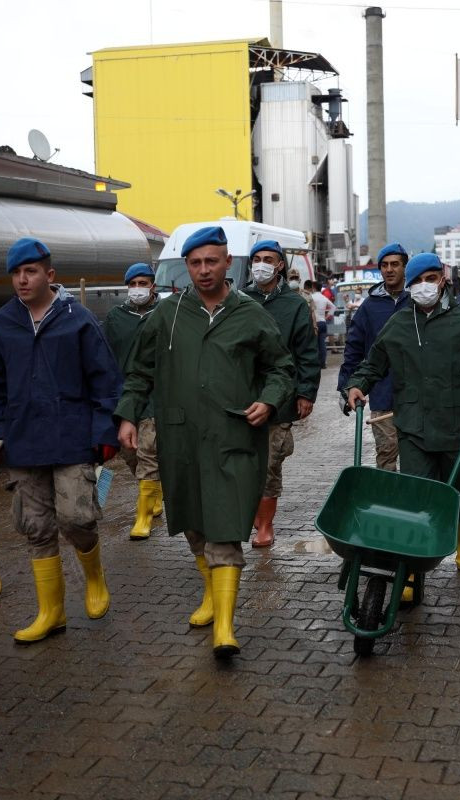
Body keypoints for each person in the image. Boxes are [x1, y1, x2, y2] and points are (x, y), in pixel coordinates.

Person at [115, 226, 294, 658]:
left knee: (226, 527)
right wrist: (127, 414)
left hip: (234, 436)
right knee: (194, 524)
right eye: (194, 263)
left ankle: (226, 629)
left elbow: (281, 368)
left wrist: (269, 402)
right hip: (181, 438)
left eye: (211, 261)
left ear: (227, 262)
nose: (203, 270)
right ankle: (211, 595)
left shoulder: (250, 314)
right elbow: (140, 370)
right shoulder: (169, 314)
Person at [0, 237, 122, 644]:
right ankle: (51, 612)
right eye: (15, 273)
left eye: (30, 272)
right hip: (23, 442)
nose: (22, 280)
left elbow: (105, 379)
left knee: (76, 518)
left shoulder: (77, 319)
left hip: (72, 437)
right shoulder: (2, 323)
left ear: (49, 275)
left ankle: (94, 575)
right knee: (36, 527)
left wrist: (104, 431)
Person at [344, 253, 460, 576]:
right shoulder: (399, 323)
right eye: (416, 281)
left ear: (442, 279)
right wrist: (358, 384)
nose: (423, 286)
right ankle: (411, 567)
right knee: (415, 495)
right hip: (413, 427)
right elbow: (374, 362)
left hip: (459, 426)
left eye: (429, 278)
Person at [243, 240, 321, 548]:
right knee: (243, 461)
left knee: (270, 461)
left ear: (280, 265)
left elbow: (307, 353)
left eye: (268, 259)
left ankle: (266, 525)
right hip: (241, 396)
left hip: (280, 398)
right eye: (257, 259)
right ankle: (253, 512)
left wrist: (306, 393)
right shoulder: (239, 299)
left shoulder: (294, 304)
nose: (261, 264)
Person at [102, 262, 163, 540]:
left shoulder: (164, 314)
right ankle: (155, 490)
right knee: (129, 452)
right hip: (124, 394)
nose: (138, 288)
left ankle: (143, 518)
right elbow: (103, 354)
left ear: (153, 285)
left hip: (154, 394)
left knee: (148, 449)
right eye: (133, 283)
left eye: (143, 283)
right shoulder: (116, 317)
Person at [337, 243, 410, 471]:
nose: (389, 270)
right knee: (387, 453)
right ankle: (387, 500)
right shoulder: (370, 307)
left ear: (405, 267)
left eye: (395, 264)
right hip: (382, 393)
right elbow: (354, 349)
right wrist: (346, 386)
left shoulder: (417, 301)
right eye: (384, 265)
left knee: (416, 459)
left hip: (418, 396)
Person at [310, 281, 335, 369]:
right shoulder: (324, 298)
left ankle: (315, 363)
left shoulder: (311, 297)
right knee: (322, 344)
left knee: (314, 344)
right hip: (323, 322)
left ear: (313, 287)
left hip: (314, 323)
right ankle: (323, 363)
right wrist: (328, 315)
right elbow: (333, 307)